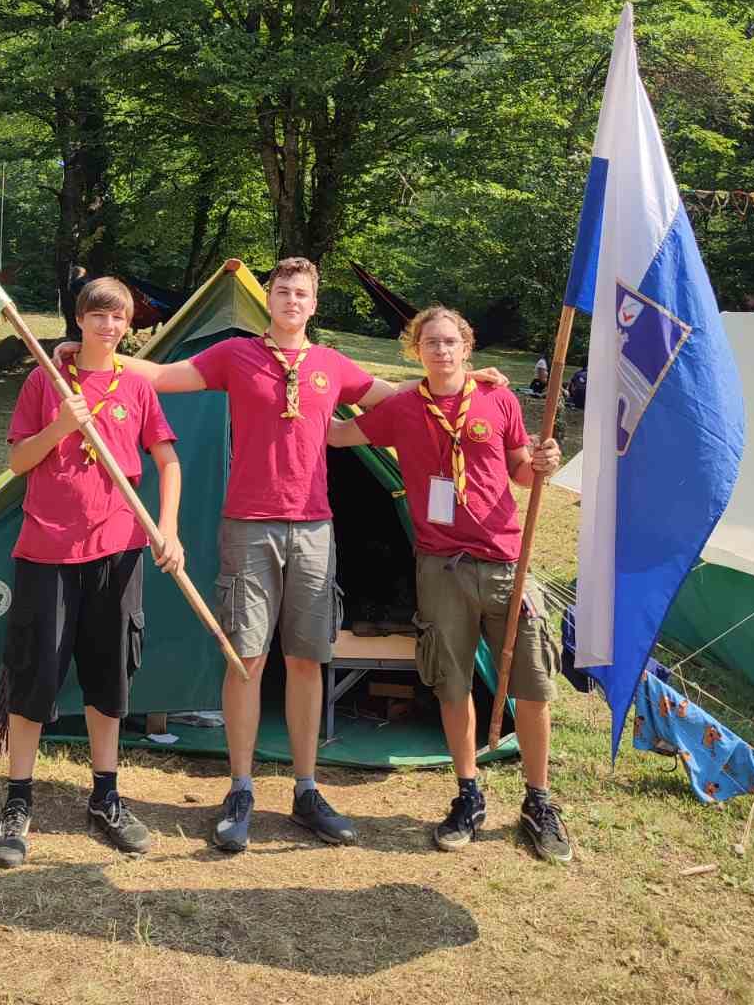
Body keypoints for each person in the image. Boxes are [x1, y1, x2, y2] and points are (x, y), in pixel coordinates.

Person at [57, 256, 507, 854]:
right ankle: (240, 789)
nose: (292, 300)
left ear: (314, 305)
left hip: (315, 529)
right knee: (245, 658)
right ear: (269, 299)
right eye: (283, 291)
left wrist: (472, 381)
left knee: (306, 659)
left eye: (302, 293)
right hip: (248, 527)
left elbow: (402, 394)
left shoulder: (331, 365)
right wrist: (93, 354)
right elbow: (163, 375)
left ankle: (306, 790)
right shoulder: (236, 355)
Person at [328, 305, 570, 864]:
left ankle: (538, 801)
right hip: (440, 568)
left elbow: (522, 472)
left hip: (505, 562)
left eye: (449, 342)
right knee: (452, 684)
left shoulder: (498, 399)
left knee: (532, 686)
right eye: (430, 343)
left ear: (467, 347)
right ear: (416, 351)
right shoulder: (402, 408)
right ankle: (468, 794)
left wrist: (544, 461)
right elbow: (338, 434)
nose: (441, 350)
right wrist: (296, 392)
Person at [0, 276, 184, 872]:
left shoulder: (136, 385)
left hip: (118, 550)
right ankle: (18, 801)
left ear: (128, 324)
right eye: (98, 315)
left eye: (118, 317)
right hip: (47, 550)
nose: (108, 326)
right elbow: (18, 460)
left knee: (109, 675)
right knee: (35, 674)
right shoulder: (45, 380)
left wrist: (167, 528)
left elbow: (167, 460)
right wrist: (59, 427)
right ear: (80, 319)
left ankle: (106, 796)